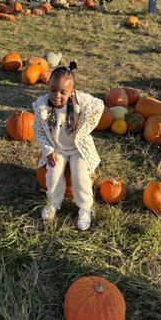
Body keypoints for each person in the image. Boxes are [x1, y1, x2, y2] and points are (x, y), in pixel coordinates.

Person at [32, 62, 104, 231]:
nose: (57, 95)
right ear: (48, 87)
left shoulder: (79, 101)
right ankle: (54, 202)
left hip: (78, 148)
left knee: (80, 175)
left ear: (72, 92)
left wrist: (84, 128)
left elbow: (98, 105)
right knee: (53, 173)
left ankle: (85, 207)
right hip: (57, 148)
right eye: (53, 89)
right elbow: (38, 131)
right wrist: (48, 151)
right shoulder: (42, 106)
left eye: (63, 92)